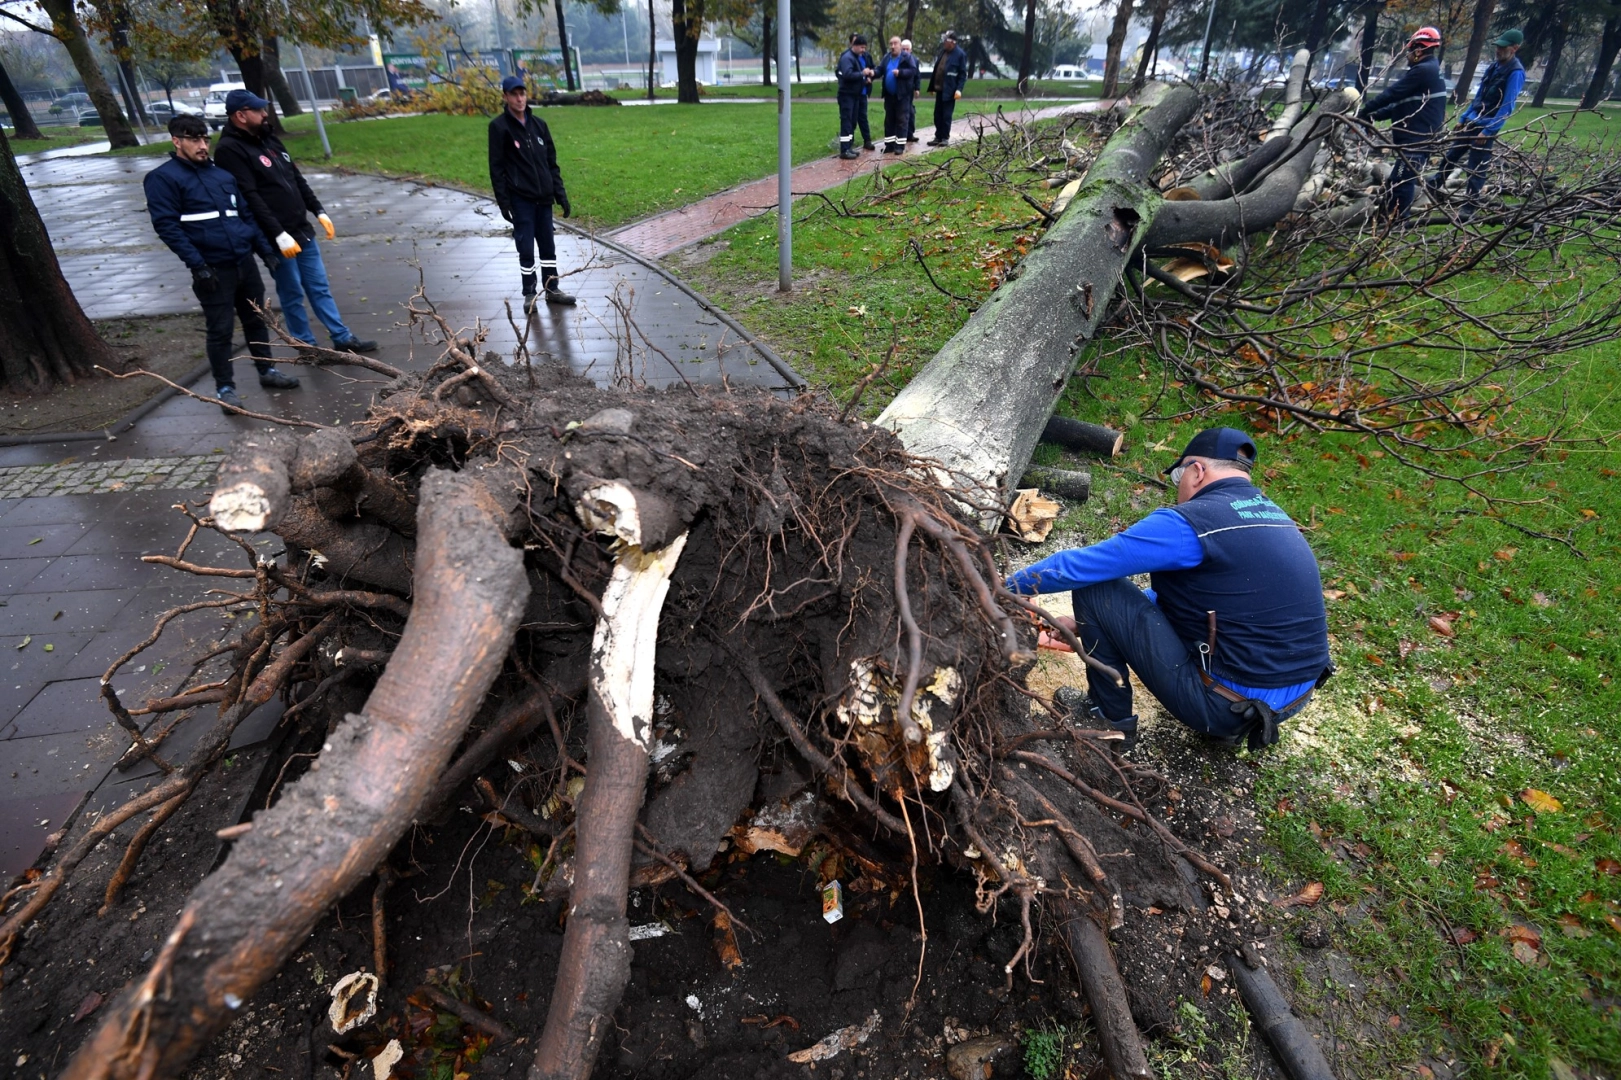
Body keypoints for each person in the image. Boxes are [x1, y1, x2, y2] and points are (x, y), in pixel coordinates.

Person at [1005, 428, 1332, 751]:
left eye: (1179, 477)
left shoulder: (1192, 522)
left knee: (1095, 589)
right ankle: (1226, 725)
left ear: (1197, 471)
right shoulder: (1275, 517)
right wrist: (1099, 626)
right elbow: (1206, 603)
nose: (1178, 489)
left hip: (1225, 706)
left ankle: (1107, 723)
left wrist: (1003, 587)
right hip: (1288, 703)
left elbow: (1078, 567)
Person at [144, 114, 302, 413]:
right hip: (213, 269)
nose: (203, 145)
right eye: (194, 140)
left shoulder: (221, 175)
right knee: (220, 330)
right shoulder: (163, 179)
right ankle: (225, 388)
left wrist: (265, 251)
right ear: (176, 141)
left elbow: (244, 216)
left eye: (205, 139)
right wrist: (197, 264)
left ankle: (267, 371)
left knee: (257, 320)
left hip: (244, 262)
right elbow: (167, 226)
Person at [213, 89, 378, 356]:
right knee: (291, 293)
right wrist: (277, 234)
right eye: (258, 110)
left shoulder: (269, 139)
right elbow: (249, 197)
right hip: (277, 238)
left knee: (319, 287)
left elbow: (296, 179)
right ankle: (306, 346)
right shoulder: (229, 150)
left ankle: (342, 337)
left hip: (301, 229)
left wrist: (318, 209)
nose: (265, 114)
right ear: (240, 116)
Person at [487, 74, 575, 311]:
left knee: (548, 247)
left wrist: (560, 194)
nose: (519, 99)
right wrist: (503, 202)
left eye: (522, 93)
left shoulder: (539, 126)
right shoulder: (499, 128)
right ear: (505, 97)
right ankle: (529, 292)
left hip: (543, 199)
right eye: (514, 94)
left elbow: (551, 163)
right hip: (521, 199)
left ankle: (552, 289)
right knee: (526, 248)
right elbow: (496, 168)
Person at [1431, 29, 1524, 220]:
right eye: (1497, 47)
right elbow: (1479, 96)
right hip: (1473, 121)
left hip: (1487, 126)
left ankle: (1469, 206)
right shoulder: (1493, 67)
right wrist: (1464, 118)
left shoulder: (1515, 72)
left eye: (1503, 47)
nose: (1498, 50)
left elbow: (1507, 107)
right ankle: (1433, 186)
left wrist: (1488, 131)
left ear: (1514, 48)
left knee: (1477, 167)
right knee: (1451, 155)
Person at [1360, 27, 1447, 220]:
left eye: (1410, 51)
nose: (1407, 55)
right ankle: (1389, 215)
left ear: (1418, 50)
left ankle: (1398, 219)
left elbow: (1392, 94)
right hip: (1413, 137)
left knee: (1402, 179)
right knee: (1397, 178)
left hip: (1416, 139)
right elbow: (1400, 105)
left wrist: (1364, 110)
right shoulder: (1427, 71)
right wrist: (1374, 116)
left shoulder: (1423, 71)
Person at [878, 36, 920, 153]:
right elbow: (880, 69)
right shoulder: (886, 58)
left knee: (902, 120)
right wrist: (873, 73)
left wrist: (900, 73)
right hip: (889, 96)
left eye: (895, 43)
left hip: (902, 95)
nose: (892, 46)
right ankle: (890, 145)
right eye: (890, 44)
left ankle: (900, 146)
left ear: (900, 45)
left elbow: (913, 71)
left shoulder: (907, 57)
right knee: (889, 120)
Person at [835, 35, 873, 159]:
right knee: (846, 122)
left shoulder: (856, 57)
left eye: (865, 48)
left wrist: (864, 80)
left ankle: (849, 147)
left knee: (852, 122)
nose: (863, 50)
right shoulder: (847, 58)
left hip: (855, 95)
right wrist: (862, 73)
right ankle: (844, 150)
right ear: (855, 46)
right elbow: (847, 74)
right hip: (847, 95)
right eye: (862, 47)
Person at [928, 30, 968, 147]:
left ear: (953, 42)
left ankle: (944, 137)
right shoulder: (943, 52)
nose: (944, 42)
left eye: (946, 40)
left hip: (950, 91)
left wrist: (959, 89)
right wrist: (932, 87)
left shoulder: (960, 55)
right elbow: (937, 70)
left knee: (946, 115)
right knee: (937, 115)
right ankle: (938, 136)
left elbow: (962, 74)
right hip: (940, 89)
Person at [901, 39, 921, 144]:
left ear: (911, 50)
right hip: (900, 90)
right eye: (903, 49)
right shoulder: (897, 59)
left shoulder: (914, 61)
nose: (905, 51)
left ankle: (910, 133)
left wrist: (917, 88)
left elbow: (917, 76)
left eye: (907, 49)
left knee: (910, 112)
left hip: (909, 90)